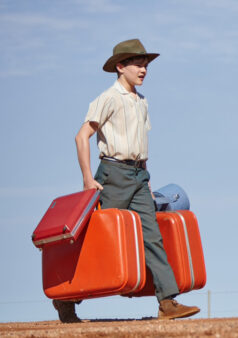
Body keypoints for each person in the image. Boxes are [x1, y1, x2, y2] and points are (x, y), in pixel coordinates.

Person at [53, 39, 200, 323]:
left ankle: (167, 302)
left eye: (145, 65)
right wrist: (87, 178)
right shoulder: (108, 98)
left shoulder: (142, 102)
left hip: (137, 176)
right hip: (112, 175)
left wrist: (145, 178)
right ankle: (65, 298)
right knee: (100, 241)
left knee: (152, 237)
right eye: (137, 64)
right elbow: (81, 136)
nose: (143, 69)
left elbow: (139, 145)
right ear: (120, 67)